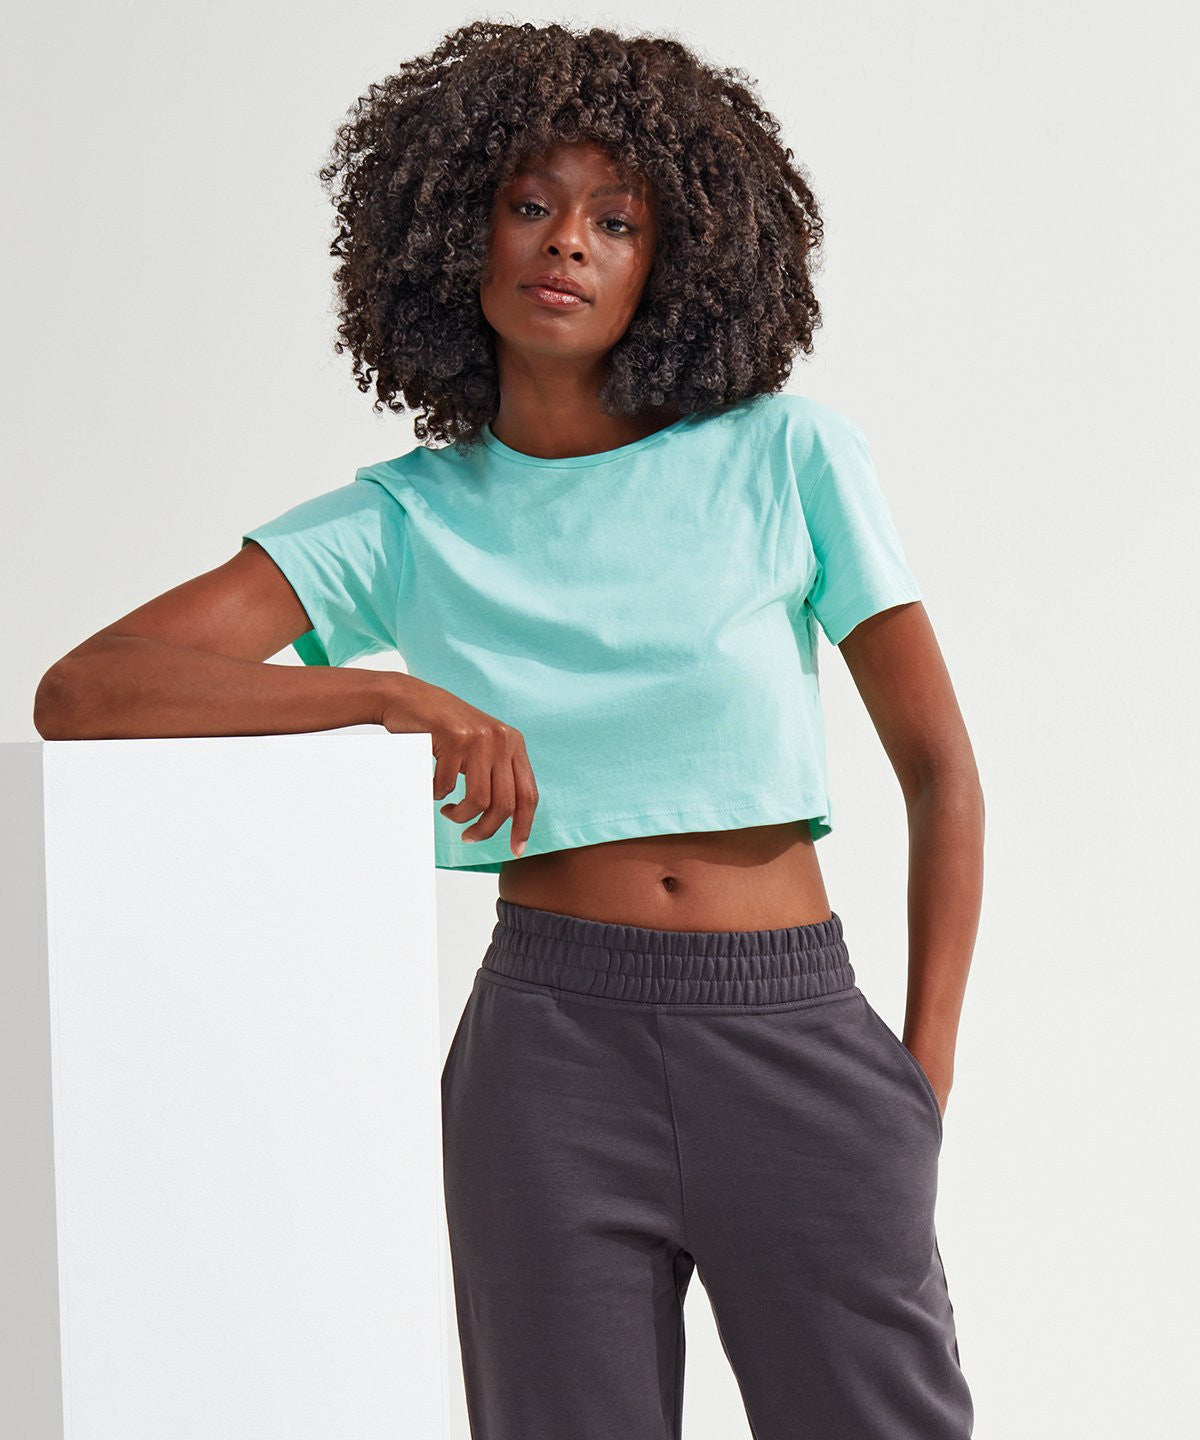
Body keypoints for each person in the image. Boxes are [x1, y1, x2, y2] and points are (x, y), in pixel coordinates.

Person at [34, 20, 982, 1439]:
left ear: (673, 264)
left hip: (796, 1031)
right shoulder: (408, 518)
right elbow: (88, 690)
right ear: (453, 237)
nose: (569, 243)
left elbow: (941, 772)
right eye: (530, 205)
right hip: (549, 1056)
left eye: (618, 221)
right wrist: (383, 694)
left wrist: (921, 1074)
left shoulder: (785, 455)